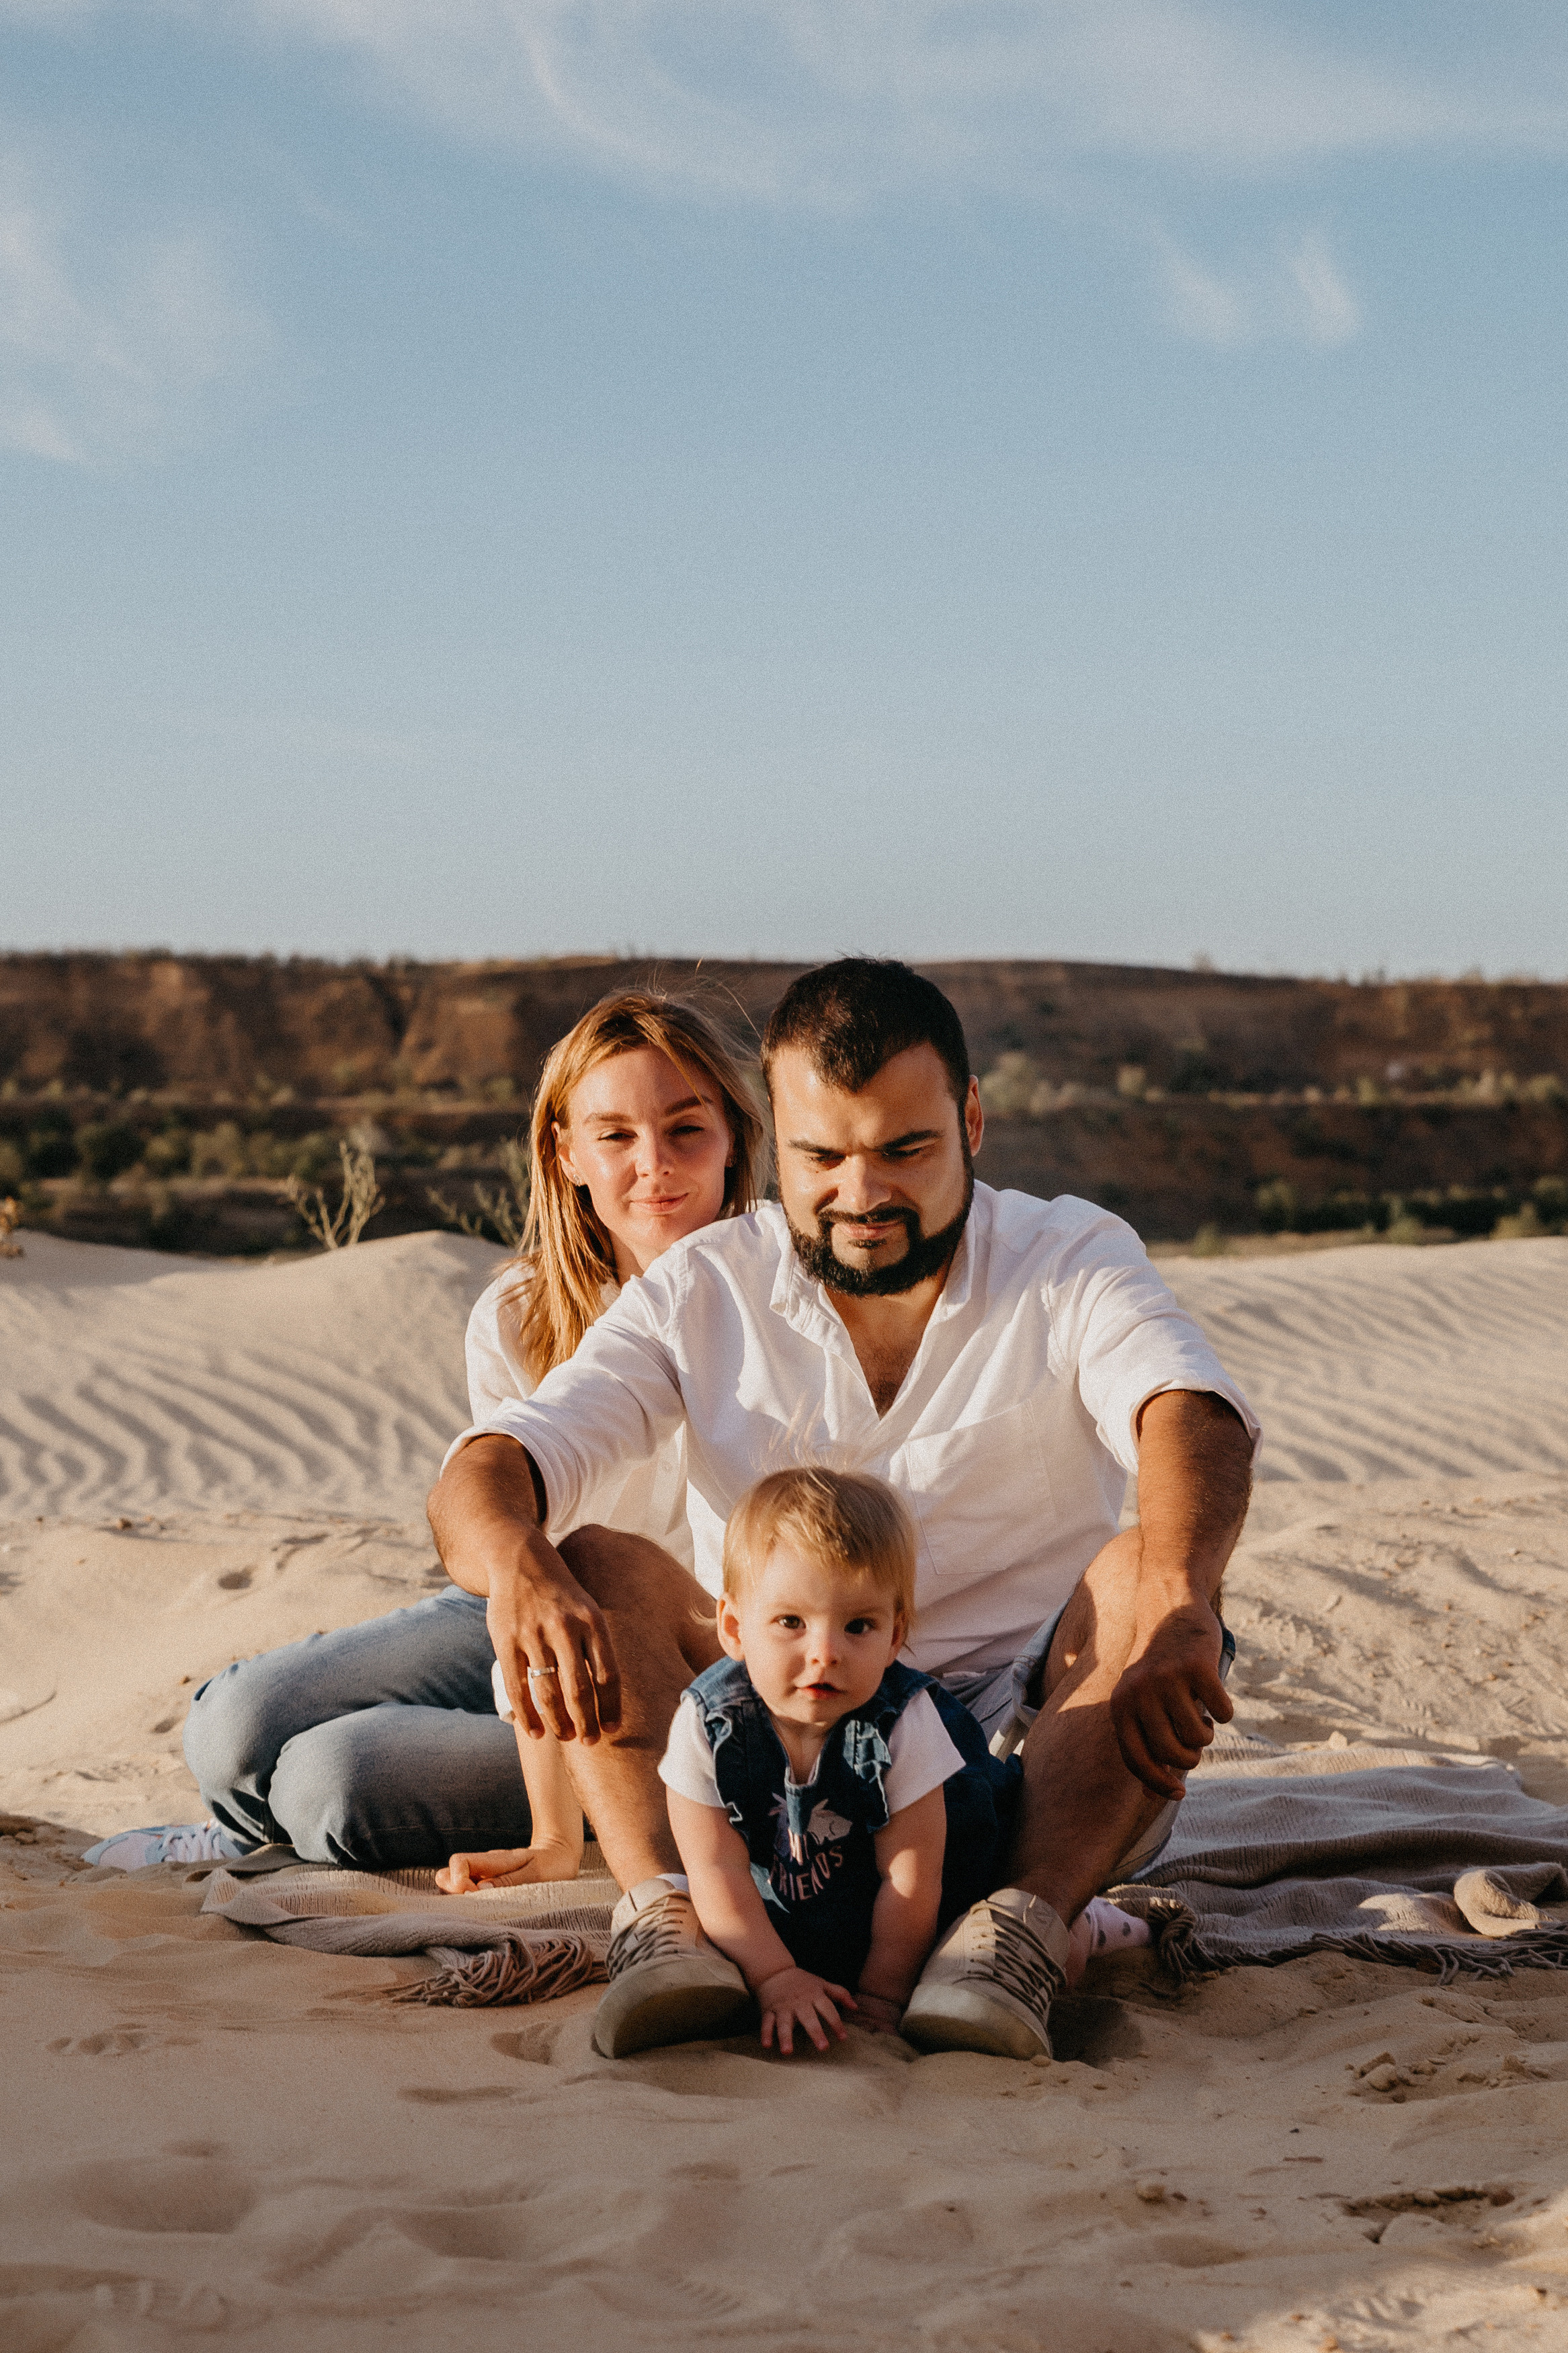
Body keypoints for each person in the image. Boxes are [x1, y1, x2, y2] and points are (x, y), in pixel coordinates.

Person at [428, 958, 1260, 2063]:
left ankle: (1012, 1934)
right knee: (591, 1560)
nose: (859, 1195)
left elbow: (1184, 1410)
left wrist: (1180, 1593)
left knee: (1138, 1577)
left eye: (903, 1151)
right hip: (772, 1770)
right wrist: (520, 1570)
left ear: (969, 1119)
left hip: (1023, 1763)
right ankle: (668, 1925)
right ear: (776, 1137)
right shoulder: (705, 1286)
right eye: (821, 1156)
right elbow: (501, 1458)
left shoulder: (1065, 1258)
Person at [84, 990, 764, 1874]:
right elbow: (506, 1543)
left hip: (665, 1661)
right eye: (615, 1136)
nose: (654, 1166)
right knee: (232, 1726)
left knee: (333, 1781)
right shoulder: (519, 1314)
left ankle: (284, 1830)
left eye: (685, 1130)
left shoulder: (774, 1310)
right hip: (516, 1614)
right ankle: (263, 1829)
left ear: (733, 1139)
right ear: (564, 1153)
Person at [604, 1464, 1017, 2059]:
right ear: (733, 1627)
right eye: (790, 1622)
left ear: (895, 1634)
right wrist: (775, 1977)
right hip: (786, 1905)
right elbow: (714, 1868)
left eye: (858, 1626)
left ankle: (1096, 1926)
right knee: (713, 1912)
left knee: (990, 1925)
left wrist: (882, 1995)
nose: (824, 1654)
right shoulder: (707, 1723)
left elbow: (912, 1879)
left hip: (927, 1902)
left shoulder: (906, 1722)